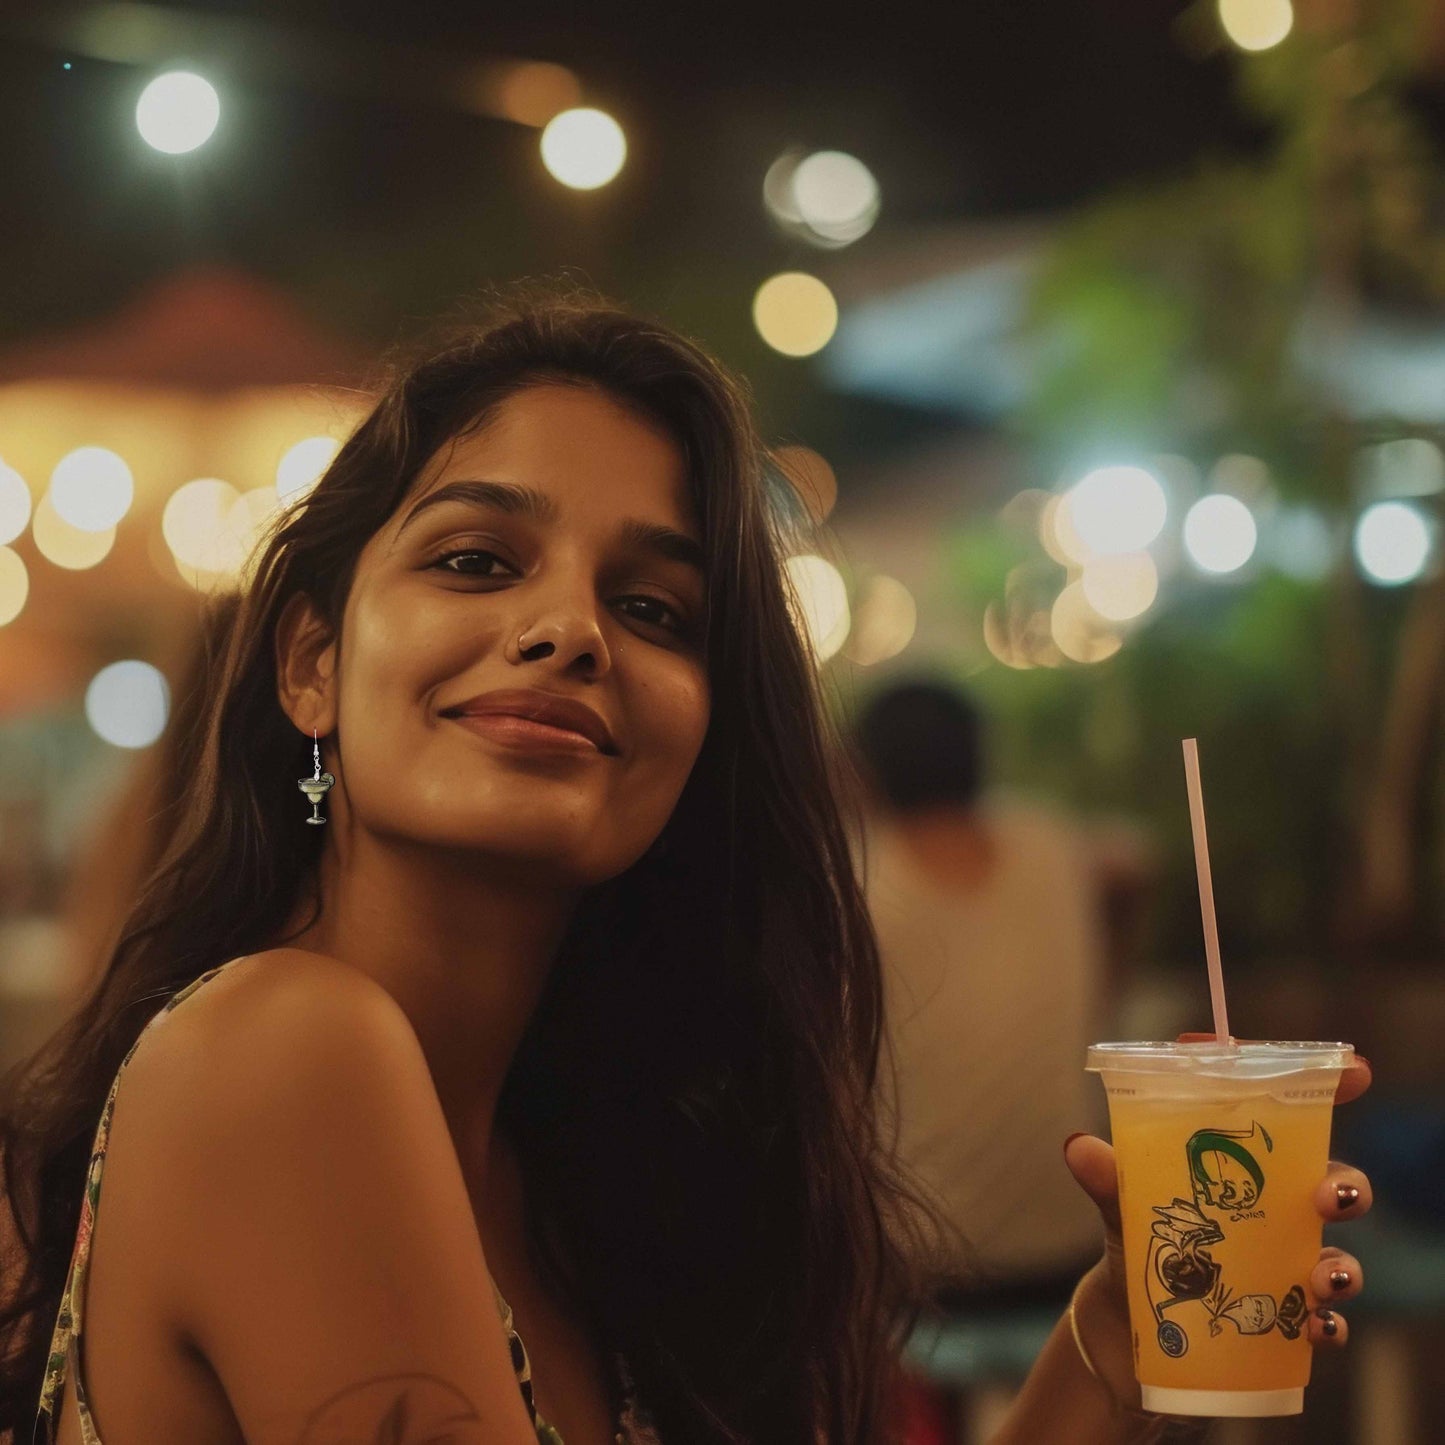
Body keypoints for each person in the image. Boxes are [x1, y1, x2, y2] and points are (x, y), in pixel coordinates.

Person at [0, 289, 1372, 1445]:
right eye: (478, 560)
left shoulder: (580, 1173)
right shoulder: (282, 1052)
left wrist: (1111, 1340)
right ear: (312, 663)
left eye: (651, 606)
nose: (568, 630)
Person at [852, 678, 1106, 1296]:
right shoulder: (1051, 846)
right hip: (1077, 1246)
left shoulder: (860, 880)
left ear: (866, 769)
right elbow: (1134, 861)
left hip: (923, 1262)